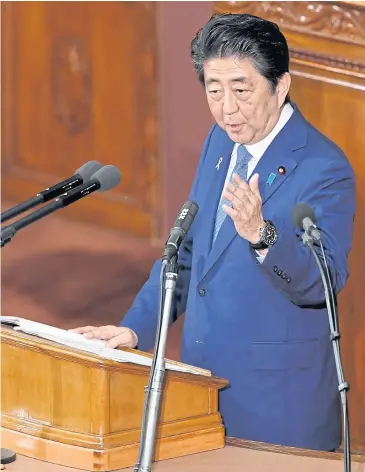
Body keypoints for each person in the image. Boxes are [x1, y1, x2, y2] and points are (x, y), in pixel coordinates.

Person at [72, 14, 355, 451]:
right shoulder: (221, 142)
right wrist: (135, 330)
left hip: (278, 407)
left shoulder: (325, 168)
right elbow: (185, 255)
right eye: (214, 90)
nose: (227, 108)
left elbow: (323, 282)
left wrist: (263, 236)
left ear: (281, 86)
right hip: (202, 387)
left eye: (242, 91)